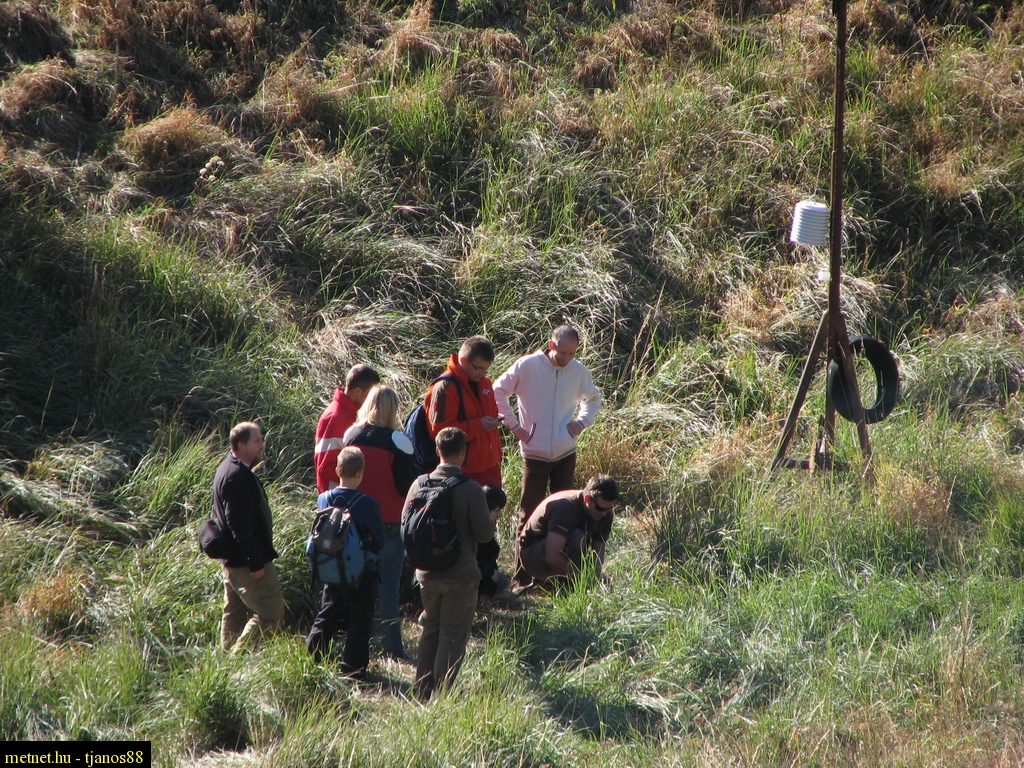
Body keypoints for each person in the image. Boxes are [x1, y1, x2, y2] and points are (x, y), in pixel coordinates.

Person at [492, 324, 602, 582]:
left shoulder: (578, 371)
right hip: (534, 454)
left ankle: (558, 576)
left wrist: (581, 423)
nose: (567, 358)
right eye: (562, 352)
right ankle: (522, 577)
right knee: (529, 513)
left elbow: (593, 399)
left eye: (572, 353)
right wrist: (515, 426)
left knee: (566, 515)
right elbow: (498, 390)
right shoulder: (527, 366)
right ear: (552, 345)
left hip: (565, 452)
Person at [405, 427, 496, 699]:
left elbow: (405, 528)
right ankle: (442, 696)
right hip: (461, 575)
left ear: (437, 451)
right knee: (452, 634)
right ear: (464, 452)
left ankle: (422, 691)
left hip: (425, 573)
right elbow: (484, 535)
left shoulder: (419, 484)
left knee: (431, 628)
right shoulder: (470, 489)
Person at [342, 384, 417, 661]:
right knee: (388, 587)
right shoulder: (399, 440)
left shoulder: (351, 434)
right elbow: (406, 487)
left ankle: (356, 642)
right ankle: (392, 647)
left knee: (355, 584)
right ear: (392, 408)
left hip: (355, 521)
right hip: (389, 522)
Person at [306, 447, 386, 680]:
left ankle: (313, 661)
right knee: (360, 619)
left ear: (338, 470)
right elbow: (379, 540)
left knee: (327, 613)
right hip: (362, 572)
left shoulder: (324, 498)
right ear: (360, 472)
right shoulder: (368, 504)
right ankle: (354, 670)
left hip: (331, 567)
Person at [213, 421, 284, 652]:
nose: (262, 445)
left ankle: (227, 663)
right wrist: (255, 561)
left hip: (233, 559)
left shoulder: (229, 468)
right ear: (241, 445)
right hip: (246, 561)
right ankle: (239, 657)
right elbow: (239, 525)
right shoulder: (235, 477)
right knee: (270, 612)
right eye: (257, 441)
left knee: (235, 612)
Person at [424, 335, 503, 489]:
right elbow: (440, 433)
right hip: (462, 472)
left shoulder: (485, 383)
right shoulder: (445, 387)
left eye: (486, 369)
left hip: (490, 467)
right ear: (463, 360)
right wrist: (479, 425)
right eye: (478, 368)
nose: (483, 373)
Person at [518, 474, 619, 588]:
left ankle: (566, 583)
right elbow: (552, 557)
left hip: (556, 551)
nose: (604, 514)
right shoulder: (565, 508)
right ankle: (561, 583)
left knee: (579, 538)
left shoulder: (605, 512)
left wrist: (596, 577)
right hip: (532, 555)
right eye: (600, 509)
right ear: (587, 499)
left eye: (609, 508)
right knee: (577, 536)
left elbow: (598, 549)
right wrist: (583, 578)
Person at [314, 364, 381, 493]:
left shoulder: (352, 413)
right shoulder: (335, 417)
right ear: (358, 391)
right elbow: (325, 467)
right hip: (337, 498)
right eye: (371, 394)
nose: (374, 399)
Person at [477, 484, 510, 600]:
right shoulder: (472, 532)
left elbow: (490, 560)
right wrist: (491, 573)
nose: (499, 515)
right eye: (496, 510)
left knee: (503, 580)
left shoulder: (487, 531)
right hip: (465, 578)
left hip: (482, 577)